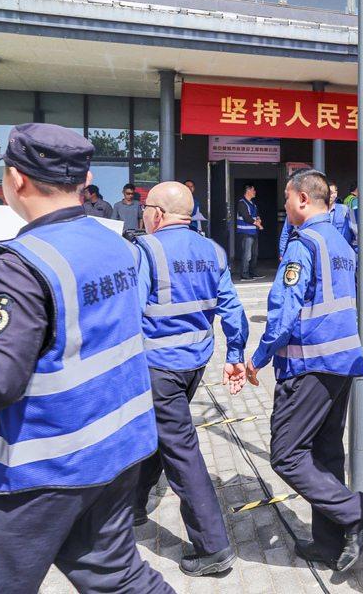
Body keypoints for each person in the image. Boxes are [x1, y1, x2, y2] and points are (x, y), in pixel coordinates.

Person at [0, 123, 172, 592]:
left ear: (16, 180)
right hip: (120, 446)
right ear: (83, 181)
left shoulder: (18, 267)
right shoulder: (115, 242)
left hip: (42, 470)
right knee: (118, 576)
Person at [246, 169, 363, 572]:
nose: (284, 207)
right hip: (340, 362)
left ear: (303, 199)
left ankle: (357, 512)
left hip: (309, 363)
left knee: (286, 454)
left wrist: (259, 356)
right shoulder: (339, 240)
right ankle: (327, 543)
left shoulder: (304, 242)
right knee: (323, 454)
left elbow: (285, 309)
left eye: (287, 199)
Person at [133, 181, 249, 576]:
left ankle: (213, 545)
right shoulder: (212, 250)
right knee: (161, 433)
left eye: (146, 207)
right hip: (194, 363)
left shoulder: (146, 250)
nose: (142, 214)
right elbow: (232, 309)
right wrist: (234, 354)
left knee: (180, 448)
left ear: (159, 214)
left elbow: (129, 315)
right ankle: (132, 505)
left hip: (157, 366)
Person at [236, 184, 263, 281]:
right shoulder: (242, 203)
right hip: (245, 232)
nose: (255, 192)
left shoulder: (253, 204)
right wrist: (258, 225)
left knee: (254, 254)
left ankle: (252, 272)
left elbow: (256, 215)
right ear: (248, 191)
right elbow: (246, 217)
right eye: (253, 190)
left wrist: (259, 219)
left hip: (253, 232)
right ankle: (244, 274)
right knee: (247, 254)